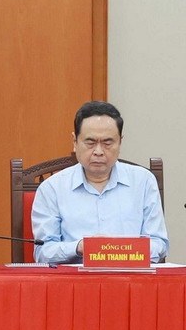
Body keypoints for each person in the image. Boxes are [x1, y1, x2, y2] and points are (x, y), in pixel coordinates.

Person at [31, 101, 168, 264]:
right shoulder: (52, 188)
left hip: (130, 275)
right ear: (75, 142)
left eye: (107, 143)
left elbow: (159, 243)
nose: (98, 151)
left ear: (120, 142)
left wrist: (119, 250)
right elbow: (43, 252)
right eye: (90, 143)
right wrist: (79, 247)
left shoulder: (143, 181)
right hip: (76, 278)